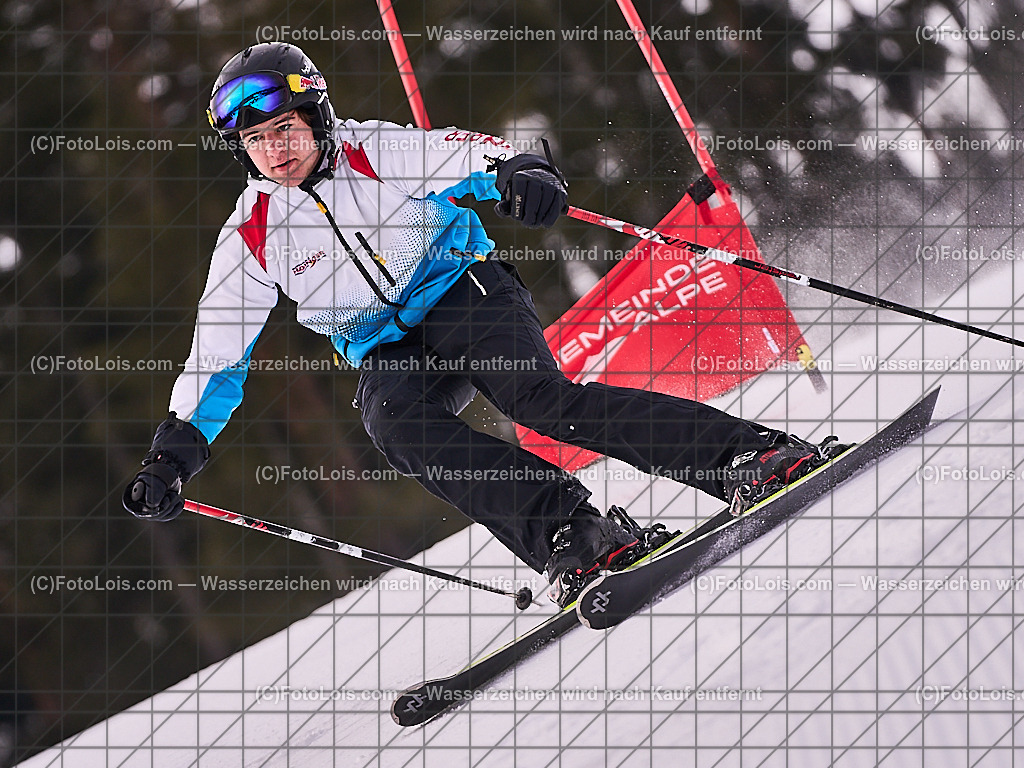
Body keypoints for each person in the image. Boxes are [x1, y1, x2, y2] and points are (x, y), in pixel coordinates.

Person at [122, 42, 845, 607]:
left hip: (462, 288)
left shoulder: (376, 152)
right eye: (256, 141)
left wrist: (520, 173)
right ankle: (572, 530)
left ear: (316, 116)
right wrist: (174, 451)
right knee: (394, 425)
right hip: (386, 345)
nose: (275, 150)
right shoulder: (252, 234)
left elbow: (468, 154)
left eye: (284, 128)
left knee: (541, 403)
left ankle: (745, 456)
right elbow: (216, 353)